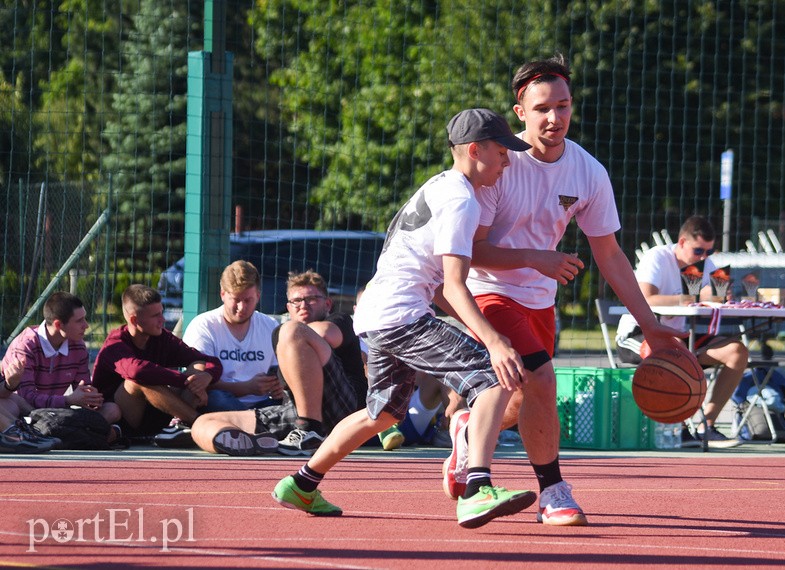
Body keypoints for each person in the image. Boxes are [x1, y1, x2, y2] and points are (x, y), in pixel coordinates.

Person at [450, 55, 692, 526]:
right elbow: (470, 252)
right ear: (520, 111)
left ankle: (467, 430)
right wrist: (534, 257)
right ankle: (553, 491)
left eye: (563, 106)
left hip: (539, 299)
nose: (554, 118)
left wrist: (651, 327)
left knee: (518, 398)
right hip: (488, 291)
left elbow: (611, 255)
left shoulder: (588, 172)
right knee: (542, 379)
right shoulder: (499, 165)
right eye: (542, 108)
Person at [271, 108, 536, 529]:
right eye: (502, 151)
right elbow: (452, 285)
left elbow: (435, 286)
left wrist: (474, 328)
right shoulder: (463, 201)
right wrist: (493, 340)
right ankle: (476, 489)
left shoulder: (438, 187)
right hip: (401, 314)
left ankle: (302, 483)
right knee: (493, 375)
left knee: (384, 413)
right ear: (475, 150)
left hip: (376, 312)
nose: (507, 161)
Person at [190, 270, 367, 456]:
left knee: (291, 331)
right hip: (294, 414)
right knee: (203, 423)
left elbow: (321, 334)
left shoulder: (340, 321)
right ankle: (251, 443)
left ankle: (309, 431)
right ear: (288, 307)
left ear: (327, 304)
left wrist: (290, 337)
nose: (303, 305)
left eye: (312, 299)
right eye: (296, 301)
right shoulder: (283, 336)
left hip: (344, 411)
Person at [616, 215, 747, 448]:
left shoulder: (705, 264)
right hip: (639, 333)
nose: (704, 256)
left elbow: (715, 297)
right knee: (673, 356)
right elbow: (646, 298)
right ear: (682, 242)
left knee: (737, 352)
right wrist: (694, 297)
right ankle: (680, 428)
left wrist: (723, 296)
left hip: (681, 338)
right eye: (698, 251)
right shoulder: (657, 256)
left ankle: (706, 426)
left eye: (710, 251)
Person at [91, 284, 223, 447]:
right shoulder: (115, 344)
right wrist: (186, 381)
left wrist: (206, 377)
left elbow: (210, 361)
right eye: (155, 315)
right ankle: (200, 422)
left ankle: (179, 425)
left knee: (198, 366)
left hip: (158, 411)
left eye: (161, 312)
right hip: (123, 420)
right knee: (137, 380)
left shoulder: (162, 338)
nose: (163, 319)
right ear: (134, 320)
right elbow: (137, 371)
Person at [0, 292, 121, 441]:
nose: (86, 325)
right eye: (79, 320)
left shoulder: (78, 345)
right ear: (58, 324)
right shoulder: (26, 346)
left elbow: (83, 389)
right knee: (10, 406)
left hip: (56, 412)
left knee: (112, 410)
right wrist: (68, 400)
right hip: (26, 412)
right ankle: (86, 434)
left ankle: (61, 435)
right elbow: (27, 398)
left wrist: (90, 398)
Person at [182, 260, 282, 412]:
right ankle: (257, 423)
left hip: (263, 404)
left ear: (258, 296)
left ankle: (256, 423)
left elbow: (281, 373)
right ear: (223, 294)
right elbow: (198, 381)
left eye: (248, 300)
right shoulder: (203, 326)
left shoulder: (270, 325)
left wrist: (279, 386)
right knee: (216, 398)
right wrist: (246, 388)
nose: (241, 308)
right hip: (223, 403)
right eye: (236, 300)